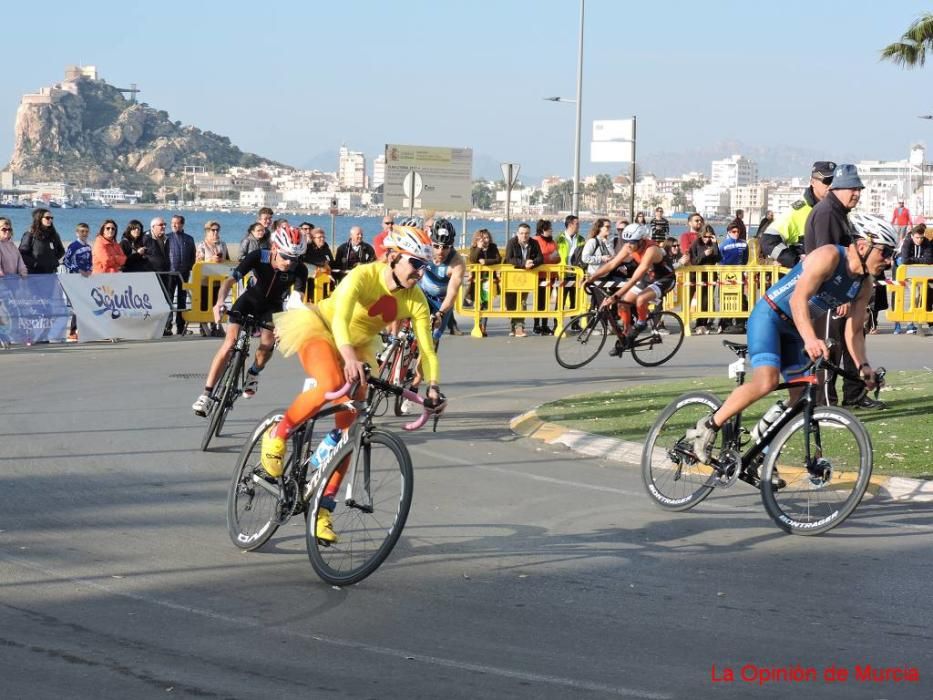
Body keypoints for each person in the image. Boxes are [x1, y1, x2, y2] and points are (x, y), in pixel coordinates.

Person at [259, 225, 446, 543]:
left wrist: (432, 387)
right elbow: (342, 319)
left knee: (351, 432)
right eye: (416, 263)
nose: (421, 271)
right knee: (331, 381)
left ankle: (322, 511)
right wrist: (347, 358)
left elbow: (427, 348)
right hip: (320, 329)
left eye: (425, 266)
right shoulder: (363, 275)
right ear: (393, 258)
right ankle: (276, 437)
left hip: (357, 349)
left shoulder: (415, 299)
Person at [687, 213, 896, 462]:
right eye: (885, 252)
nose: (889, 260)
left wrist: (864, 367)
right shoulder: (829, 256)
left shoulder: (864, 285)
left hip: (796, 328)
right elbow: (798, 299)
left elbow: (853, 331)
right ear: (863, 246)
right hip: (770, 316)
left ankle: (759, 452)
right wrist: (810, 339)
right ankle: (708, 426)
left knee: (800, 400)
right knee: (767, 381)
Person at [192, 226, 310, 416]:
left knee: (267, 344)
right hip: (249, 300)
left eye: (294, 258)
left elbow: (296, 301)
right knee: (229, 344)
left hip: (273, 307)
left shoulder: (300, 269)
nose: (289, 263)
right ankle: (206, 395)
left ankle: (254, 373)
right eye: (285, 256)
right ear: (274, 249)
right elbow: (229, 281)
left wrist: (287, 326)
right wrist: (220, 302)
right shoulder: (257, 256)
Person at [804, 163, 881, 409]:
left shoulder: (837, 212)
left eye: (859, 188)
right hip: (827, 293)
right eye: (852, 188)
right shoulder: (827, 213)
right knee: (829, 349)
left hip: (836, 291)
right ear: (837, 188)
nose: (857, 193)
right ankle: (825, 404)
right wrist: (841, 295)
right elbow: (827, 259)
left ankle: (852, 396)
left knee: (848, 344)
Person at [590, 223, 676, 355]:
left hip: (664, 279)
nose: (628, 245)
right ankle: (627, 332)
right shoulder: (629, 246)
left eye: (632, 243)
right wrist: (591, 278)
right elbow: (612, 264)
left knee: (641, 299)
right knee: (623, 304)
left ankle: (641, 323)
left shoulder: (651, 249)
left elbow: (635, 279)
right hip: (648, 278)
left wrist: (615, 296)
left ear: (641, 241)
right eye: (626, 242)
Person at [761, 161, 835, 268]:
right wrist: (795, 262)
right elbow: (768, 241)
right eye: (828, 180)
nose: (832, 186)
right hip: (807, 278)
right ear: (813, 182)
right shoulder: (797, 211)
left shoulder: (838, 210)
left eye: (836, 181)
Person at [418, 218, 467, 343]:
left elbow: (452, 295)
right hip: (422, 294)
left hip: (441, 302)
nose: (440, 251)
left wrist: (440, 313)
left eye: (445, 247)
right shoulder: (423, 250)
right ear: (430, 242)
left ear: (452, 245)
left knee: (431, 342)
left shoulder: (457, 262)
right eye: (436, 246)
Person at [505, 223, 543, 337]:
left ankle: (519, 327)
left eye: (526, 233)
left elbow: (540, 258)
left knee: (522, 302)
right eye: (521, 233)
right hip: (512, 277)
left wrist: (532, 263)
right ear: (517, 233)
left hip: (526, 278)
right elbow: (509, 258)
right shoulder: (512, 242)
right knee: (511, 302)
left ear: (529, 234)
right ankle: (513, 326)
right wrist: (523, 264)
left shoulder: (534, 243)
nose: (524, 236)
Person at [196, 220, 231, 337]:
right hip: (205, 281)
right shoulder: (202, 245)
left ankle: (216, 326)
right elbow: (198, 262)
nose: (215, 232)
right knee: (205, 304)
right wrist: (211, 260)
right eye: (213, 230)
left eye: (217, 230)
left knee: (218, 304)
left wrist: (222, 260)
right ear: (207, 231)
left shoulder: (222, 244)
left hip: (219, 281)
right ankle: (203, 327)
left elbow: (228, 260)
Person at [896, 225, 933, 333]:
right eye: (917, 237)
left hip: (921, 274)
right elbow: (905, 260)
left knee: (924, 296)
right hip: (907, 274)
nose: (919, 240)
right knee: (916, 295)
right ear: (912, 236)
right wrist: (920, 260)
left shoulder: (926, 242)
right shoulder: (907, 242)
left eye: (921, 237)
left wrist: (914, 260)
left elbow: (929, 260)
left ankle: (920, 320)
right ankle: (910, 323)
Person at [466, 228, 501, 337]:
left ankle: (483, 327)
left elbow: (498, 259)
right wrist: (479, 248)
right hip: (477, 281)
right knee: (478, 304)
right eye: (482, 238)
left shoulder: (493, 247)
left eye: (486, 237)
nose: (485, 240)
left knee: (486, 304)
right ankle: (477, 324)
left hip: (489, 281)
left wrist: (485, 262)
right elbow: (472, 259)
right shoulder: (474, 248)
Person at [166, 215, 196, 336]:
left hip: (183, 274)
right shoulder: (166, 237)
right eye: (172, 223)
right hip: (170, 273)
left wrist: (188, 267)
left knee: (182, 300)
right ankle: (167, 326)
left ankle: (180, 326)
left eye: (177, 223)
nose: (174, 225)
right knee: (168, 299)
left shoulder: (189, 239)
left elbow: (192, 256)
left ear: (182, 224)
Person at [716, 222, 750, 334]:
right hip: (726, 275)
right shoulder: (723, 245)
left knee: (740, 296)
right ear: (729, 232)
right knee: (726, 297)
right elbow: (720, 259)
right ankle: (726, 322)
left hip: (739, 274)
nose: (736, 234)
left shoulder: (744, 244)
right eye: (733, 232)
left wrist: (743, 270)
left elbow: (745, 258)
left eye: (738, 232)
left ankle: (741, 321)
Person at [689, 225, 722, 334]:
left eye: (709, 237)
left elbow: (718, 258)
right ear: (700, 235)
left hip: (710, 275)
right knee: (699, 300)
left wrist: (714, 243)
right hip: (698, 275)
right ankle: (698, 323)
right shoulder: (696, 243)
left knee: (707, 300)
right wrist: (704, 254)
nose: (706, 239)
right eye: (705, 236)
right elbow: (694, 261)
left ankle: (704, 323)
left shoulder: (712, 243)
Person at [62, 222, 92, 341]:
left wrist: (89, 270)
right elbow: (66, 261)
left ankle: (84, 330)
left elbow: (90, 261)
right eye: (82, 231)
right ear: (77, 233)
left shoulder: (88, 247)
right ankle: (73, 331)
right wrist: (79, 270)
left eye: (86, 231)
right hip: (75, 278)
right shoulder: (73, 246)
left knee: (85, 304)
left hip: (86, 279)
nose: (84, 234)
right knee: (76, 305)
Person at [532, 219, 559, 335]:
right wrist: (548, 258)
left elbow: (558, 257)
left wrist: (556, 258)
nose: (551, 231)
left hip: (551, 275)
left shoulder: (553, 242)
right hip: (539, 276)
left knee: (546, 301)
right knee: (539, 301)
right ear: (542, 230)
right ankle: (537, 325)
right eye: (549, 229)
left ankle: (544, 324)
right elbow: (536, 256)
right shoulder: (535, 240)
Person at [19, 208, 65, 274]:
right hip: (35, 272)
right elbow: (22, 254)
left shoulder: (54, 234)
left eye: (51, 218)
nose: (50, 220)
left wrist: (52, 261)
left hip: (51, 271)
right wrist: (35, 263)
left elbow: (61, 250)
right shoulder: (30, 234)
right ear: (39, 218)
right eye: (47, 218)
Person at [556, 214, 585, 314]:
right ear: (570, 224)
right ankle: (557, 323)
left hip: (576, 274)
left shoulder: (581, 239)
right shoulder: (559, 239)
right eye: (577, 224)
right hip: (562, 274)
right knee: (560, 301)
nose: (579, 226)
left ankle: (575, 323)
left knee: (575, 300)